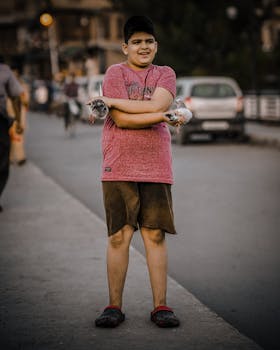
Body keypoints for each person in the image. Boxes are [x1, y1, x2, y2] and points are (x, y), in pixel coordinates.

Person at [89, 16, 187, 328]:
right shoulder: (114, 72)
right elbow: (122, 121)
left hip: (157, 166)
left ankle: (161, 306)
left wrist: (111, 101)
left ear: (156, 45)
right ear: (125, 47)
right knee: (119, 236)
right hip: (118, 165)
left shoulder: (165, 74)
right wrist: (161, 115)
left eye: (148, 41)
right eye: (136, 41)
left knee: (155, 235)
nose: (143, 46)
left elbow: (155, 103)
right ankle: (114, 306)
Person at [0, 61, 23, 212]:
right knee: (2, 161)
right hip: (0, 121)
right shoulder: (4, 70)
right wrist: (18, 121)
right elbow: (16, 96)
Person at [7, 67, 30, 166]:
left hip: (19, 115)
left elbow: (26, 100)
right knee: (9, 137)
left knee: (18, 136)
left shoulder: (22, 86)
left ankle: (20, 157)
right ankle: (11, 157)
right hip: (8, 114)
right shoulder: (5, 86)